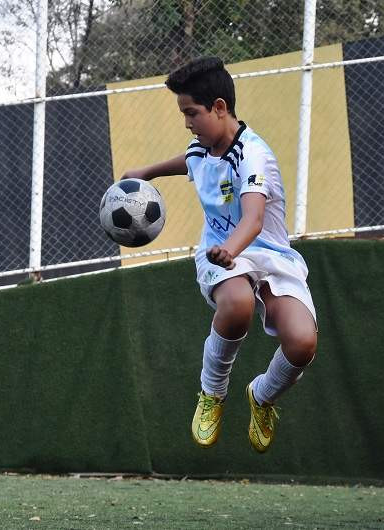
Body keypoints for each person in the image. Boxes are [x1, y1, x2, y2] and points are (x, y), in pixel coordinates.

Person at [121, 56, 317, 453]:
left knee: (302, 343)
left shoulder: (254, 155)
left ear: (220, 108)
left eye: (191, 113)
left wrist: (231, 249)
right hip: (220, 256)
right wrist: (145, 172)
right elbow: (189, 161)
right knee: (238, 303)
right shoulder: (202, 150)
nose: (187, 122)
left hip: (266, 253)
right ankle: (212, 392)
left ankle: (262, 396)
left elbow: (254, 219)